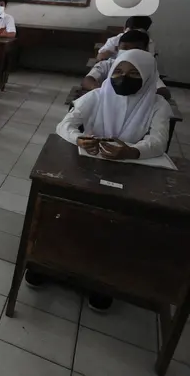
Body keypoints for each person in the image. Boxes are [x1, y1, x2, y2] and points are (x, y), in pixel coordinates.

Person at [41, 50, 171, 312]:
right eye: (119, 72)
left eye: (134, 74)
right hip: (88, 161)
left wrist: (132, 150)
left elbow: (158, 141)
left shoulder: (158, 105)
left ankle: (102, 279)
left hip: (130, 169)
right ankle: (48, 263)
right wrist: (79, 139)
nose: (124, 78)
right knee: (65, 210)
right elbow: (65, 125)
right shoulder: (97, 96)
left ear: (147, 77)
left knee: (114, 222)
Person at [83, 29, 170, 99]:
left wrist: (140, 96)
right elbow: (87, 80)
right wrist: (101, 90)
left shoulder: (148, 70)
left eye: (136, 48)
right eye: (125, 48)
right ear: (117, 49)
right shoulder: (106, 65)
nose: (130, 52)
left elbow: (164, 91)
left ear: (145, 51)